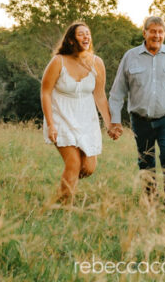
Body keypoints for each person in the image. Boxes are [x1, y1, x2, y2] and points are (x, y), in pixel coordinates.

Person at [108, 16, 165, 211]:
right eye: (153, 31)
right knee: (145, 162)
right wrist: (115, 121)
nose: (157, 35)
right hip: (140, 120)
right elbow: (117, 92)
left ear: (164, 34)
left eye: (160, 32)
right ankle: (150, 201)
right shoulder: (130, 57)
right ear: (145, 33)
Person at [40, 22, 115, 203]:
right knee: (73, 163)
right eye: (81, 34)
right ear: (72, 40)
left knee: (88, 167)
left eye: (88, 34)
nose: (86, 37)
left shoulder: (97, 63)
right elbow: (45, 92)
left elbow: (99, 95)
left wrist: (110, 124)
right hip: (61, 117)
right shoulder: (59, 61)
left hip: (86, 119)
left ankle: (64, 188)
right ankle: (65, 207)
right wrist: (51, 125)